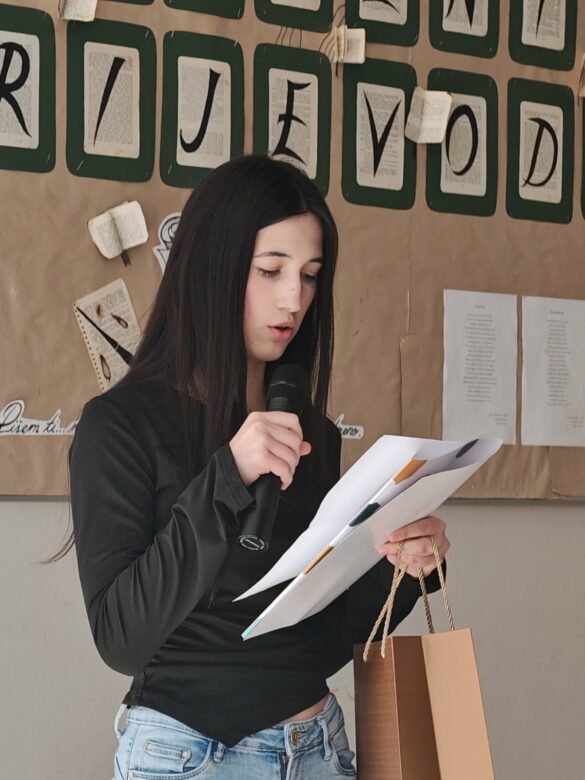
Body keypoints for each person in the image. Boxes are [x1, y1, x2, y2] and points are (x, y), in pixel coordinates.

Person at [68, 154, 450, 779]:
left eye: (310, 275)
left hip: (317, 750)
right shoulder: (120, 426)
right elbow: (121, 639)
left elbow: (317, 641)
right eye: (270, 270)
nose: (294, 298)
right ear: (211, 268)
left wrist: (403, 568)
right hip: (186, 758)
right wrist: (227, 478)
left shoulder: (312, 433)